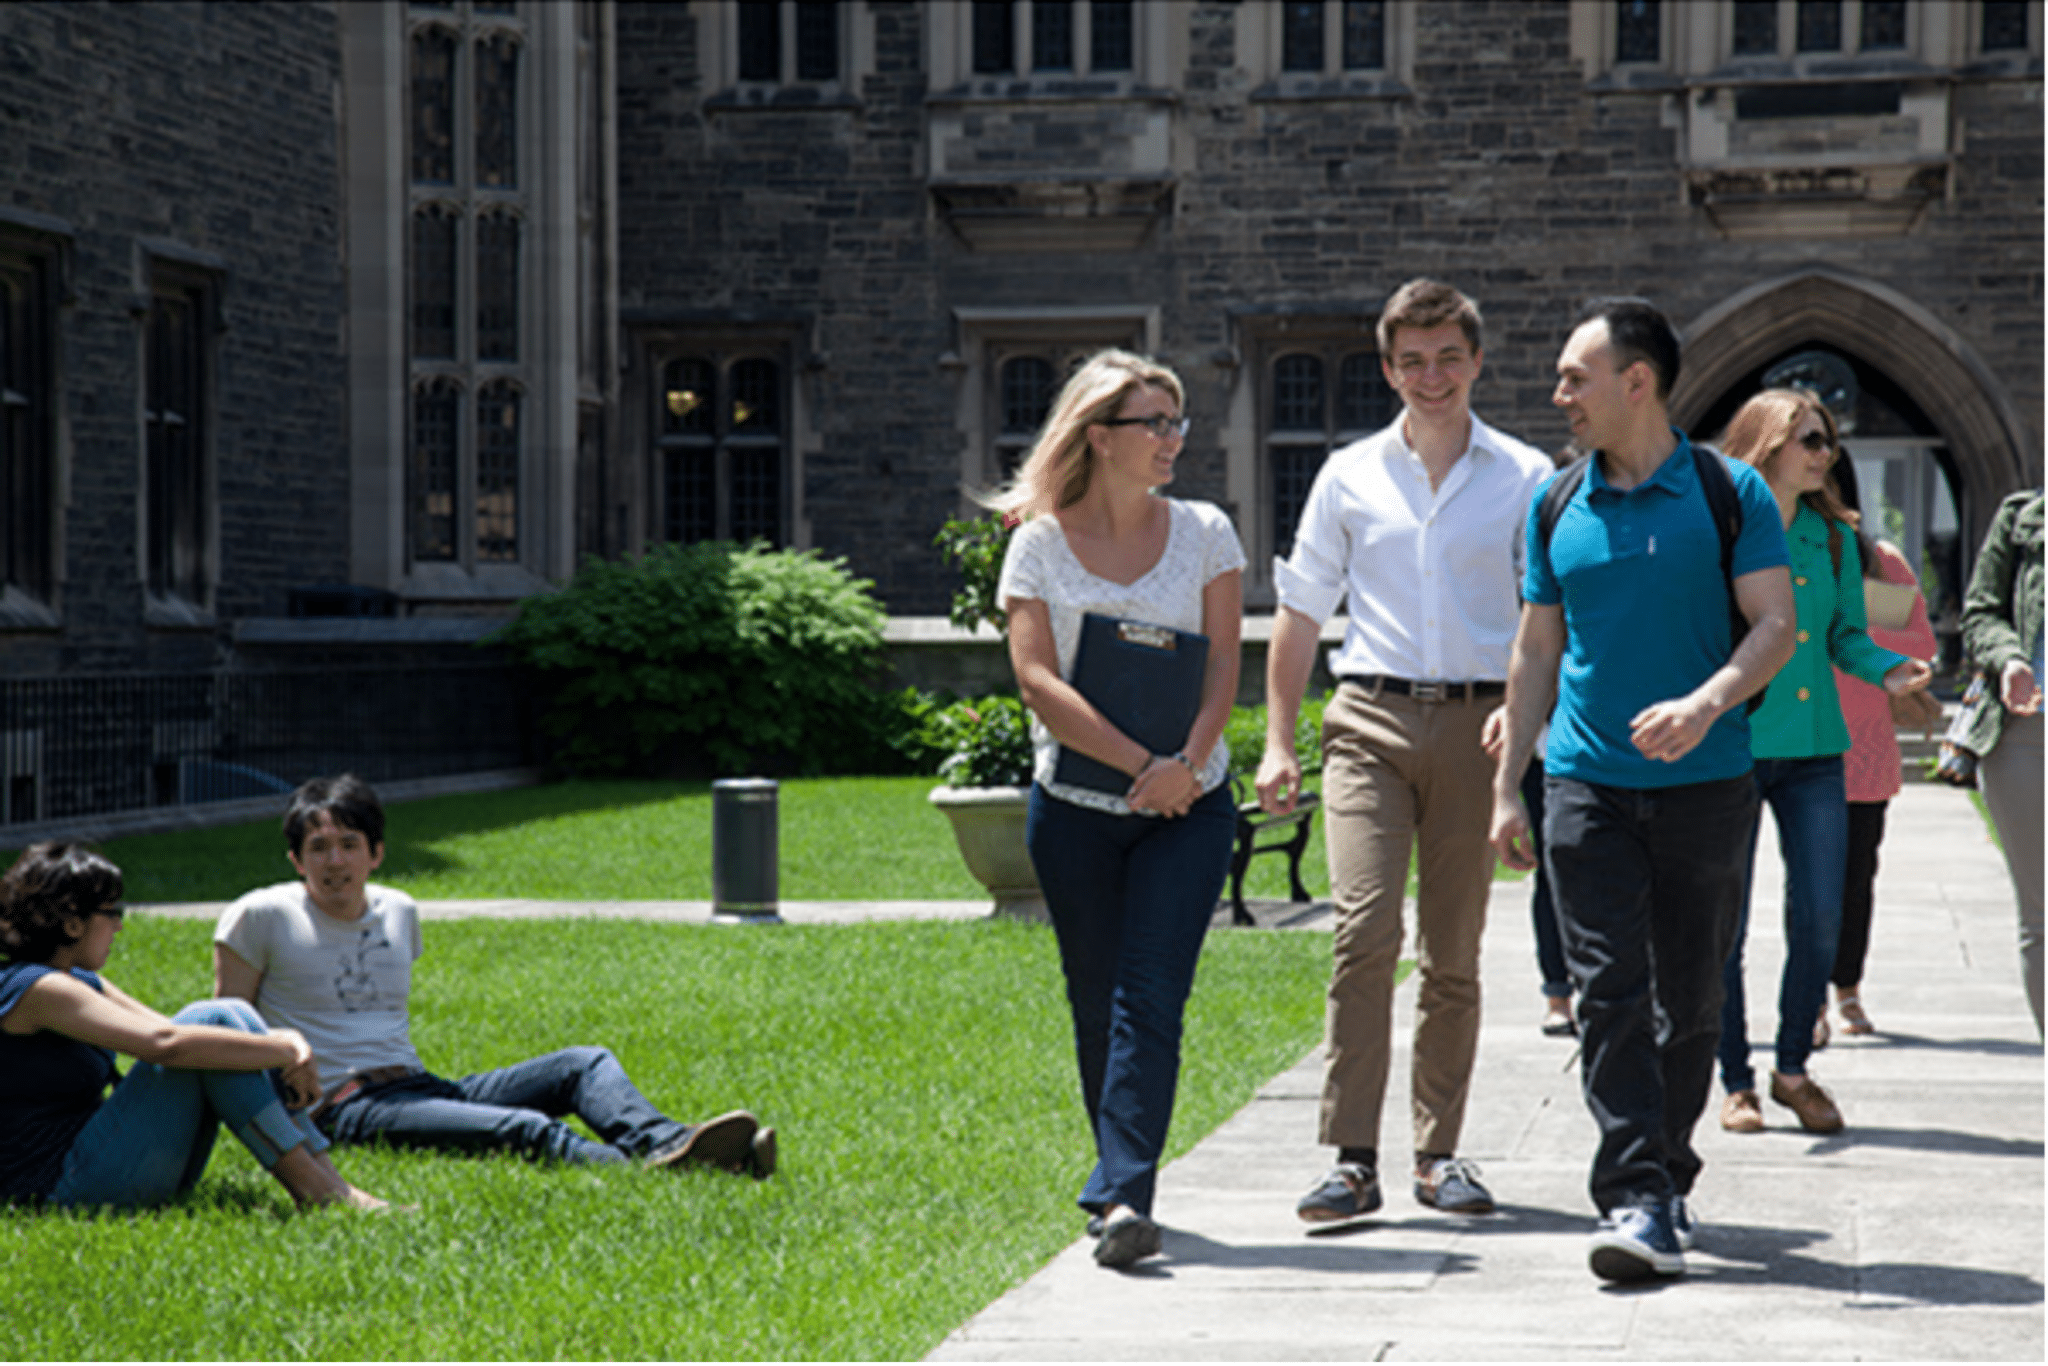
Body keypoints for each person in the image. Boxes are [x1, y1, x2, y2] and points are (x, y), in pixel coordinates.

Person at [1488, 297, 1796, 1283]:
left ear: (1637, 383)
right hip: (1584, 785)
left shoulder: (1727, 491)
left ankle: (1662, 1172)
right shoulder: (1552, 504)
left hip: (1706, 785)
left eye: (1575, 376)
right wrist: (1507, 785)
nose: (1557, 394)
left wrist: (1704, 704)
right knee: (1607, 992)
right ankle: (1634, 1190)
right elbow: (1535, 648)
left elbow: (1773, 626)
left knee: (1691, 999)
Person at [1256, 278, 1552, 1225]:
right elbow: (1302, 611)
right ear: (1388, 368)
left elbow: (1550, 618)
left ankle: (1439, 1155)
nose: (1432, 377)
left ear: (1476, 361)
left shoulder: (1527, 476)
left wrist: (1525, 726)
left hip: (1481, 727)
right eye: (1413, 360)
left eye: (1448, 358)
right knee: (1364, 933)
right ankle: (1351, 1160)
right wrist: (1275, 741)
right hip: (1369, 722)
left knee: (1453, 951)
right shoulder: (1347, 475)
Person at [995, 348, 1245, 1269]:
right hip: (1075, 808)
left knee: (1152, 996)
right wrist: (1143, 762)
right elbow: (1034, 680)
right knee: (1095, 999)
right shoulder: (1039, 543)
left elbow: (1224, 660)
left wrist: (1184, 767)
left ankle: (1123, 1195)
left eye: (1178, 423)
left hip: (1193, 806)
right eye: (1157, 424)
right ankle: (1117, 1181)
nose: (1174, 440)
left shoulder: (1208, 531)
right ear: (1100, 438)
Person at [213, 774, 775, 1177]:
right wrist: (289, 1093)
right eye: (318, 848)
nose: (335, 861)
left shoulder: (400, 911)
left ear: (377, 853)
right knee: (523, 1129)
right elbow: (227, 1028)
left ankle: (671, 1142)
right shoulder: (260, 917)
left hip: (417, 1082)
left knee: (584, 1063)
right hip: (346, 1105)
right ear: (295, 859)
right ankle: (683, 1171)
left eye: (349, 845)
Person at [1712, 390, 1930, 1138]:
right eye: (1810, 439)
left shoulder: (1835, 539)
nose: (1823, 453)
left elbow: (1844, 633)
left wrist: (1888, 671)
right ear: (1768, 441)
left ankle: (1792, 1068)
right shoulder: (1722, 528)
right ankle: (1734, 1079)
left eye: (1828, 441)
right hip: (1735, 748)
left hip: (1813, 749)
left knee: (1821, 915)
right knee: (1724, 926)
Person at [2, 842, 388, 1211]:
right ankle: (318, 1188)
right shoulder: (37, 989)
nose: (119, 926)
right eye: (112, 911)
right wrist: (286, 1051)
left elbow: (176, 1032)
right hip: (58, 1187)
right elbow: (165, 1043)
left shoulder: (78, 980)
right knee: (211, 1022)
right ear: (72, 923)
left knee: (224, 1020)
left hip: (104, 1167)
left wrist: (284, 1039)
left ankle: (327, 1181)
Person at [1824, 456, 1938, 1038]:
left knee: (1855, 876)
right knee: (1808, 879)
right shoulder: (1776, 561)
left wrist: (1853, 633)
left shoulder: (1878, 563)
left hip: (1864, 744)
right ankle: (1807, 999)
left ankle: (1847, 988)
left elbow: (1921, 640)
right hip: (1799, 741)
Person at [1959, 488, 2044, 1035]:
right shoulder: (2023, 516)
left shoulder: (1876, 563)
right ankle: (1835, 1000)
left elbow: (1906, 621)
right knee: (2042, 919)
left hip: (1866, 730)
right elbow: (1979, 613)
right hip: (2025, 732)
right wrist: (2009, 658)